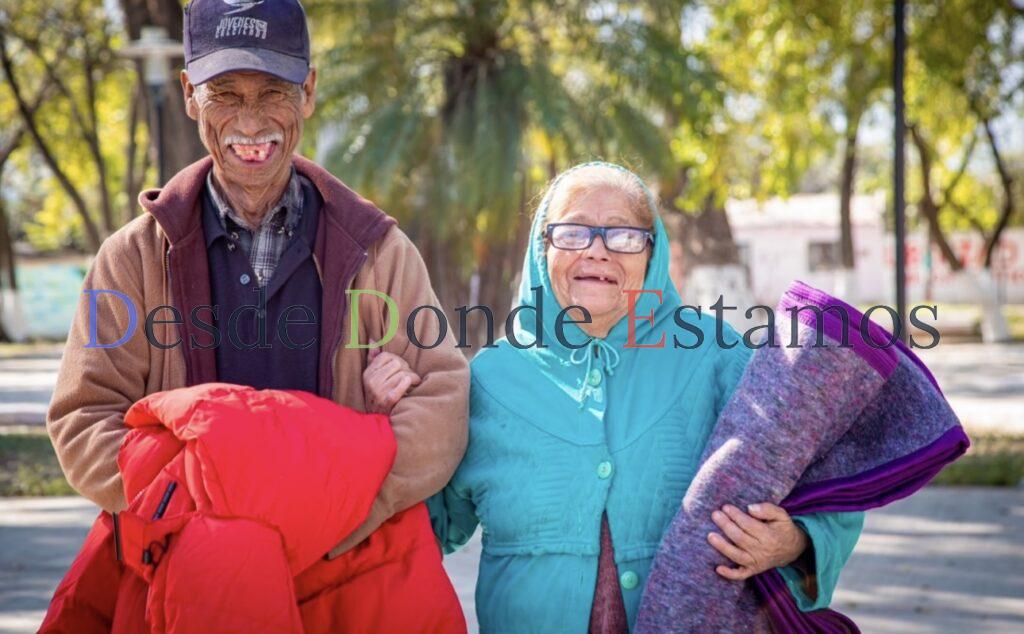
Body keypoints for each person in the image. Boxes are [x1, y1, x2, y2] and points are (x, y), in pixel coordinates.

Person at [46, 0, 468, 560]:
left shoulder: (377, 249)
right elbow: (83, 418)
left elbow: (441, 398)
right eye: (225, 93)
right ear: (189, 93)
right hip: (191, 565)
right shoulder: (132, 258)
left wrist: (343, 509)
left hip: (341, 563)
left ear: (309, 91)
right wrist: (197, 511)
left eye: (273, 90)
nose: (250, 121)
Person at [407, 162, 864, 632]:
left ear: (652, 252)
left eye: (623, 235)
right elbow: (424, 527)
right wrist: (387, 420)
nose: (597, 251)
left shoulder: (715, 356)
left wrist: (793, 541)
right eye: (573, 232)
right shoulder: (491, 378)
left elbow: (828, 476)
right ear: (543, 249)